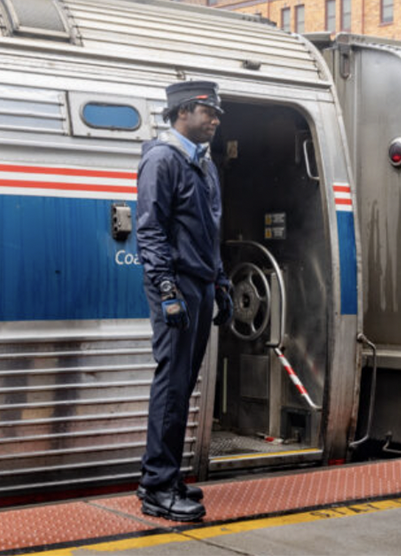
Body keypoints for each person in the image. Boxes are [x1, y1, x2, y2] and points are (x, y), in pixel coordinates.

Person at [134, 80, 234, 522]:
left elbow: (209, 235)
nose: (214, 120)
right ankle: (156, 488)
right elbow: (150, 229)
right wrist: (166, 289)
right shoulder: (161, 160)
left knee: (183, 385)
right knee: (172, 386)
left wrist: (222, 283)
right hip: (175, 286)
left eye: (215, 114)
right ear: (181, 113)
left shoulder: (204, 167)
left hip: (200, 284)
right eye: (207, 112)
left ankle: (169, 476)